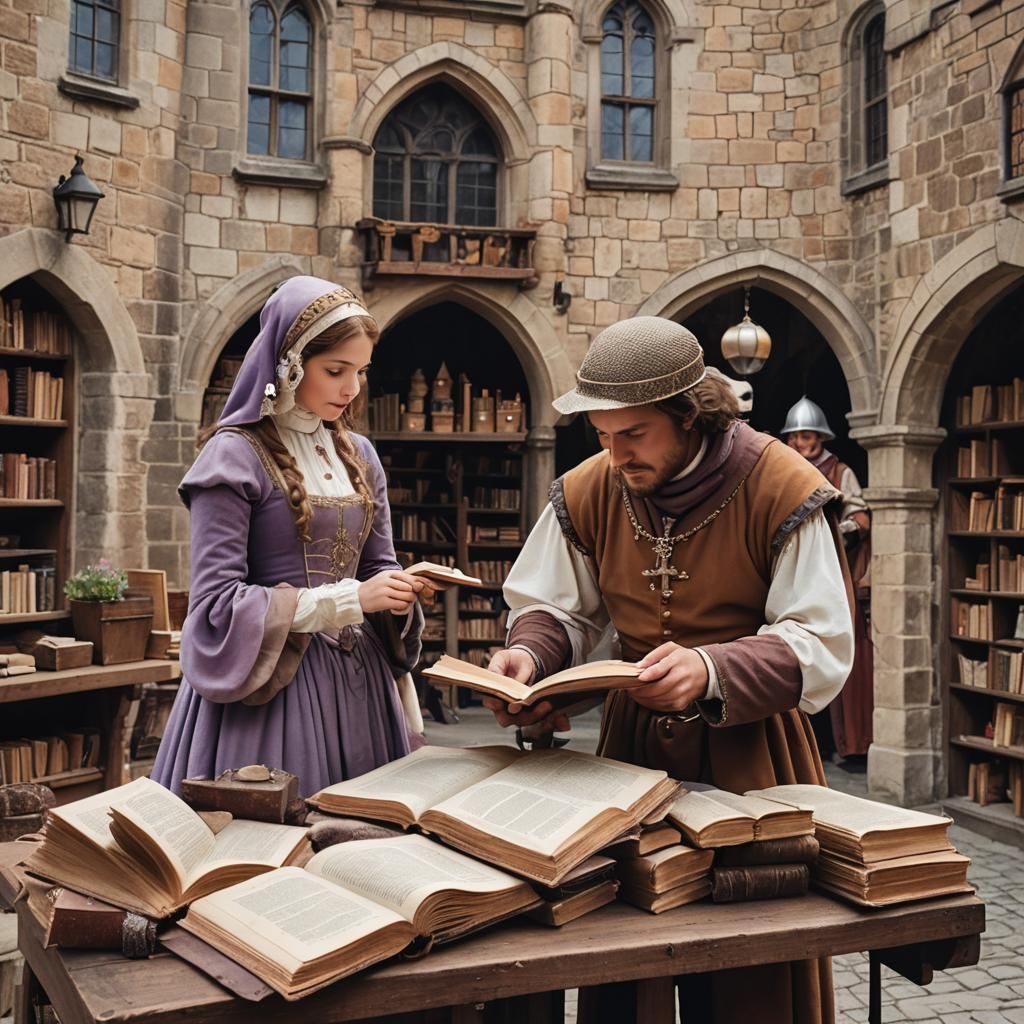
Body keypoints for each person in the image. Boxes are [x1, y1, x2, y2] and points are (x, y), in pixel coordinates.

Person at [483, 317, 854, 1024]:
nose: (616, 455)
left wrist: (711, 669)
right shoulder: (590, 488)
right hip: (631, 761)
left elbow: (823, 640)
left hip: (755, 758)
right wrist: (529, 654)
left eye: (634, 434)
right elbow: (557, 606)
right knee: (628, 961)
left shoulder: (779, 483)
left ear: (689, 417)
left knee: (754, 978)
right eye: (601, 436)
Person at [152, 276, 439, 797]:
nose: (351, 389)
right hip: (271, 691)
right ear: (288, 364)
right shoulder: (233, 456)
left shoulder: (362, 457)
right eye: (335, 371)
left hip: (362, 688)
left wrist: (397, 594)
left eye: (360, 372)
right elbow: (216, 606)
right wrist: (352, 598)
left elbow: (378, 564)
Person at [782, 396, 873, 765]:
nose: (802, 443)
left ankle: (845, 744)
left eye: (808, 436)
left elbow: (861, 517)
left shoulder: (840, 471)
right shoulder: (782, 468)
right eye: (796, 437)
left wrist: (837, 531)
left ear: (820, 437)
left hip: (835, 569)